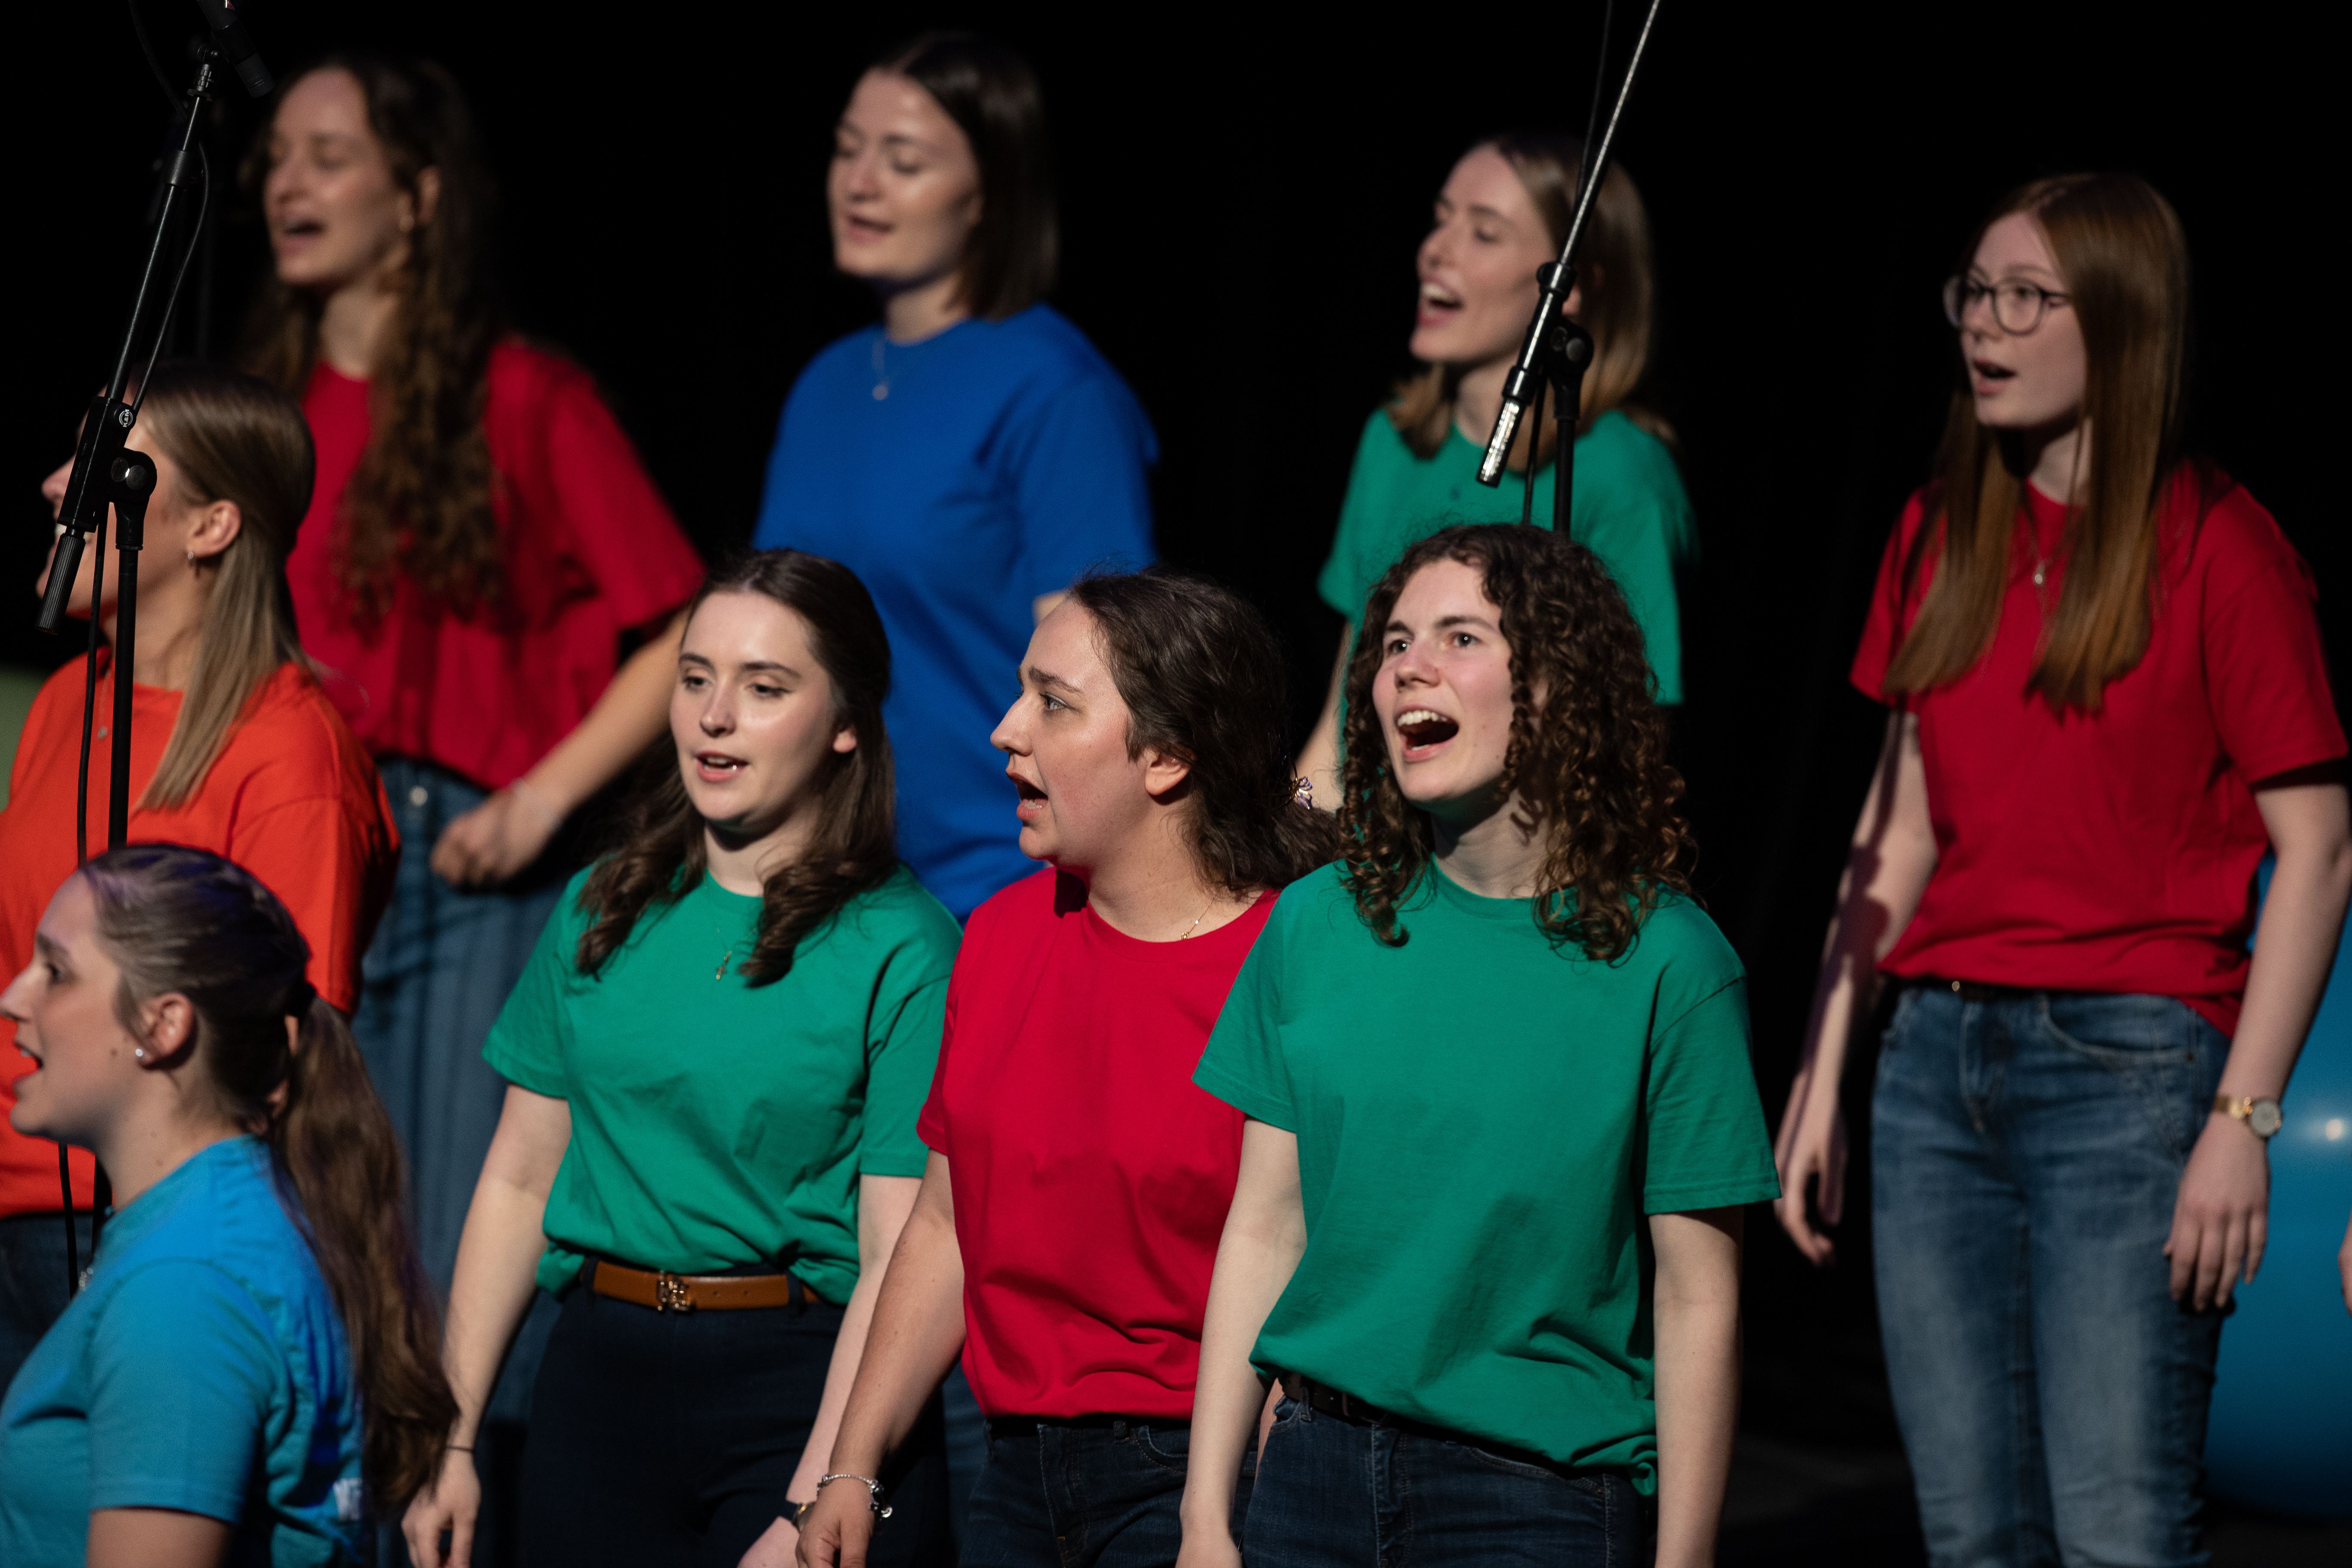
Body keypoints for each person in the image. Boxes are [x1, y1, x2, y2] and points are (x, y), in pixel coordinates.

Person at [1772, 174, 2352, 1567]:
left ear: (2124, 324)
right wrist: (1823, 1067)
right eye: (1975, 292)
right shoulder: (1939, 532)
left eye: (2027, 297)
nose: (1986, 323)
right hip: (1933, 1066)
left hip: (2128, 1072)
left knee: (2118, 1531)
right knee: (1971, 1534)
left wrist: (2242, 1119)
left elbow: (2319, 849)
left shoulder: (2220, 548)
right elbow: (1899, 825)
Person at [1180, 524, 1776, 1568]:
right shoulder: (1316, 924)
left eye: (1461, 637)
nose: (1410, 666)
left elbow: (1698, 1297)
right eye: (1395, 642)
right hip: (1312, 1477)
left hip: (1530, 1502)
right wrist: (1204, 1515)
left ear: (1556, 686)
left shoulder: (1670, 963)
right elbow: (1267, 1227)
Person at [246, 54, 708, 1305]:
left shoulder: (526, 397)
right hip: (301, 842)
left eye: (329, 157)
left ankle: (459, 1448)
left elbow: (676, 623)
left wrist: (539, 800)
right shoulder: (265, 404)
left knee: (448, 1242)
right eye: (277, 158)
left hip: (464, 864)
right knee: (303, 1229)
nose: (288, 184)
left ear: (417, 196)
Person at [402, 552, 957, 1568]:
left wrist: (814, 1498)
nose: (715, 716)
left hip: (800, 1389)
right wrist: (454, 1437)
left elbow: (900, 1254)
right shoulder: (602, 905)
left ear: (846, 722)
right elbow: (520, 1178)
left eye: (764, 687)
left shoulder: (903, 945)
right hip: (598, 1382)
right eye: (696, 678)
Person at [796, 570, 1339, 1568]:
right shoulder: (1001, 937)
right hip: (1015, 1475)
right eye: (1021, 693)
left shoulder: (1290, 963)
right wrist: (851, 1469)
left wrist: (1225, 1516)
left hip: (1205, 1483)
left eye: (1053, 703)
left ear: (1168, 756)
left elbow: (1310, 1266)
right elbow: (943, 1227)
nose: (1005, 730)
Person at [0, 362, 397, 1396]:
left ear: (210, 526)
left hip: (140, 1234)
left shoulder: (290, 753)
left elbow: (286, 1064)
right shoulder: (67, 702)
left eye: (104, 464)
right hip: (15, 1210)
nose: (57, 484)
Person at [751, 32, 1158, 922]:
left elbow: (1101, 679)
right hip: (818, 873)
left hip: (984, 886)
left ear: (987, 194)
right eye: (848, 149)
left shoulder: (1057, 390)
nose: (861, 183)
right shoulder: (826, 382)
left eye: (904, 161)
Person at [0, 843, 453, 1566]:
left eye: (55, 972)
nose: (13, 998)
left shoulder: (186, 1287)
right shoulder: (213, 1227)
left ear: (162, 1026)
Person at [1295, 133, 1693, 806]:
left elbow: (1631, 750)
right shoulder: (1393, 439)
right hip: (1360, 850)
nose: (1434, 251)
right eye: (1440, 219)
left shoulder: (1620, 476)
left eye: (1484, 233)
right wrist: (1289, 832)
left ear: (1572, 287)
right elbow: (1341, 720)